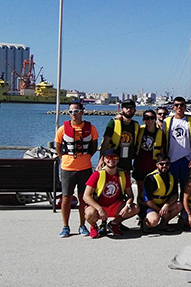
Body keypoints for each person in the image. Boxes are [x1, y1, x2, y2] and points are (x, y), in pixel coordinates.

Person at [55, 102, 99, 237]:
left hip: (85, 168)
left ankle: (82, 225)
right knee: (66, 198)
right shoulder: (62, 129)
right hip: (67, 168)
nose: (73, 114)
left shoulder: (91, 128)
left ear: (82, 112)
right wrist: (65, 158)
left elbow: (93, 147)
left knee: (83, 198)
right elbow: (58, 147)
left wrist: (85, 158)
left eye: (76, 111)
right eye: (71, 112)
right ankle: (65, 226)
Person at [83, 149, 139, 238]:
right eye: (108, 157)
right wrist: (99, 209)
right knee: (89, 213)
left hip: (115, 205)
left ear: (118, 160)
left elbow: (130, 195)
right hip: (99, 206)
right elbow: (86, 196)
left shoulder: (124, 175)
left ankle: (114, 224)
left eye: (114, 157)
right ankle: (94, 226)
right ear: (104, 160)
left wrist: (127, 206)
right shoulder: (97, 174)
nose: (111, 160)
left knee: (135, 208)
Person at [164, 97, 191, 195]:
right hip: (172, 159)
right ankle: (174, 208)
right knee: (172, 187)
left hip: (186, 159)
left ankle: (185, 209)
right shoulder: (167, 122)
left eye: (181, 105)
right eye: (176, 105)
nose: (179, 107)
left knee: (186, 188)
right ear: (173, 107)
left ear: (185, 107)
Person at [142, 154, 183, 231]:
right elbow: (147, 201)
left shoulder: (171, 177)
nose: (164, 166)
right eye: (162, 164)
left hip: (164, 204)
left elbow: (175, 195)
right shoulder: (150, 178)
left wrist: (167, 205)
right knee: (153, 221)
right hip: (151, 207)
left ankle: (163, 225)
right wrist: (159, 210)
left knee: (179, 205)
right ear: (157, 165)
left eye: (167, 164)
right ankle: (145, 223)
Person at [134, 109, 165, 204]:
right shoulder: (140, 130)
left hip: (152, 167)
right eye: (147, 118)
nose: (150, 120)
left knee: (150, 191)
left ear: (155, 119)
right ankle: (141, 214)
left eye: (152, 118)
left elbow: (163, 150)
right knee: (140, 192)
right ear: (144, 120)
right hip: (139, 165)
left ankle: (149, 212)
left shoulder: (160, 133)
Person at [99, 99, 139, 173]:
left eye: (131, 108)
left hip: (127, 162)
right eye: (126, 107)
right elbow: (104, 143)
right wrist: (101, 159)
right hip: (112, 161)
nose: (129, 109)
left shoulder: (135, 125)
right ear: (122, 109)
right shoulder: (113, 123)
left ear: (134, 110)